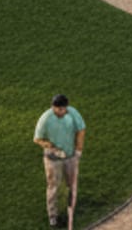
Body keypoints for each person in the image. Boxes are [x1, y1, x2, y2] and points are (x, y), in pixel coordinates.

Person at [34, 94, 85, 228]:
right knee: (53, 187)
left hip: (70, 156)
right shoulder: (46, 119)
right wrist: (52, 147)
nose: (61, 112)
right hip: (53, 159)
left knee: (72, 183)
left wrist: (79, 149)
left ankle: (71, 206)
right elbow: (37, 139)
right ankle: (53, 215)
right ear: (53, 107)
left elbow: (81, 130)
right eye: (58, 109)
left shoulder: (73, 113)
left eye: (63, 109)